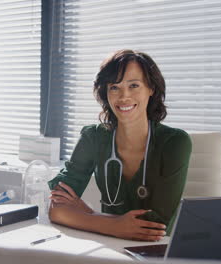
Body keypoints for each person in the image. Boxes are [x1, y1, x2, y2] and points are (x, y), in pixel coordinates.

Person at [47, 49, 192, 242]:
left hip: (155, 250)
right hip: (108, 246)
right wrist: (114, 225)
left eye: (133, 85)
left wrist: (90, 215)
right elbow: (57, 210)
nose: (124, 96)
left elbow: (154, 225)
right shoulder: (93, 137)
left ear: (151, 89)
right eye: (114, 87)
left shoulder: (174, 143)